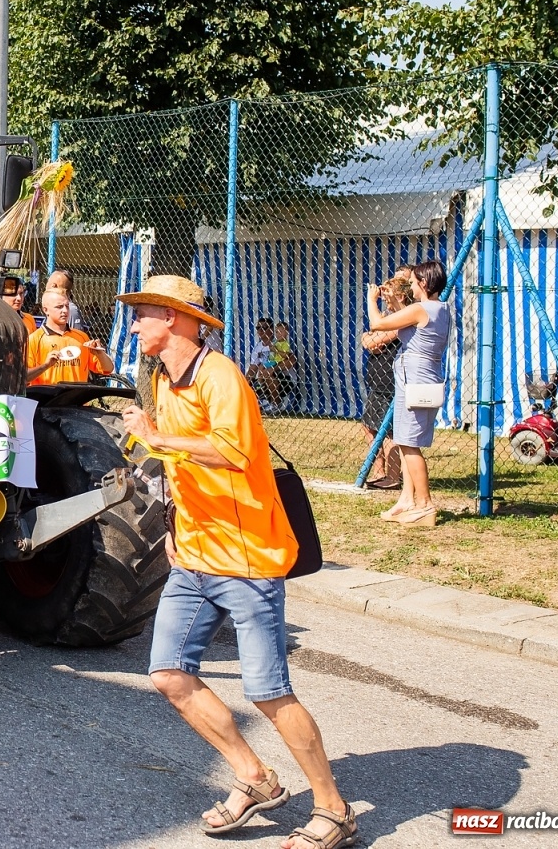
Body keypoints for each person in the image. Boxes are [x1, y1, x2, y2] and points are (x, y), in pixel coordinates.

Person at [117, 275, 355, 849]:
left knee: (269, 692)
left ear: (173, 318)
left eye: (143, 314)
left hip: (246, 561)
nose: (134, 323)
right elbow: (177, 469)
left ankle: (334, 809)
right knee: (170, 674)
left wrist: (155, 438)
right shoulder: (161, 378)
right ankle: (254, 777)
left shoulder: (220, 375)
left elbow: (232, 452)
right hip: (195, 556)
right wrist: (173, 526)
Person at [365, 259, 453, 527]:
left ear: (424, 283)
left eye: (414, 282)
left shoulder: (421, 309)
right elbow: (408, 324)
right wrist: (396, 302)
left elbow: (378, 323)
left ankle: (425, 505)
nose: (412, 286)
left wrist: (372, 299)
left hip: (415, 382)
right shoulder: (438, 309)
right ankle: (407, 499)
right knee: (404, 440)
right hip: (416, 380)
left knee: (410, 445)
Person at [360, 269, 414, 490]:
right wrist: (371, 336)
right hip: (378, 382)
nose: (382, 293)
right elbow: (367, 339)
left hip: (391, 381)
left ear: (400, 295)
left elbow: (374, 337)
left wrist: (370, 301)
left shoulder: (404, 316)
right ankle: (380, 471)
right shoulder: (390, 316)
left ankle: (393, 477)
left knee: (390, 431)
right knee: (368, 426)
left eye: (387, 290)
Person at [25, 288, 113, 384]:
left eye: (67, 306)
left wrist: (100, 354)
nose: (65, 310)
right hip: (48, 398)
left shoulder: (81, 337)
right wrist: (45, 366)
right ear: (45, 310)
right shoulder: (34, 340)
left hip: (77, 398)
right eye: (59, 307)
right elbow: (22, 378)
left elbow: (108, 369)